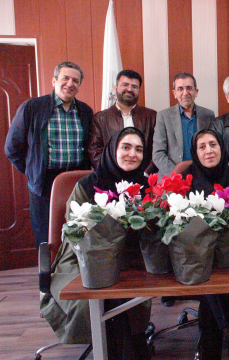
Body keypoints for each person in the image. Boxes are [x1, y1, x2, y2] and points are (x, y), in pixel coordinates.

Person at [40, 127, 151, 359]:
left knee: (125, 292)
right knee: (101, 294)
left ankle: (124, 348)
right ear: (112, 150)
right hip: (82, 258)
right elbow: (75, 230)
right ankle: (120, 349)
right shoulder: (87, 185)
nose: (132, 154)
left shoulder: (146, 187)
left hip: (131, 260)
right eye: (126, 147)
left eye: (139, 149)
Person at [5, 61, 94, 247]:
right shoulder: (32, 107)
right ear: (54, 81)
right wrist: (32, 171)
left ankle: (74, 267)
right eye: (65, 78)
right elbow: (12, 148)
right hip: (44, 183)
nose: (70, 83)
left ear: (79, 85)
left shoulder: (85, 111)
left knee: (79, 234)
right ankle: (48, 268)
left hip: (76, 181)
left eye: (75, 80)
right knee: (47, 237)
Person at [181, 129, 229, 360]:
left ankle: (210, 347)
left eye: (213, 144)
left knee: (217, 282)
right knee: (211, 280)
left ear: (222, 147)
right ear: (195, 152)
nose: (208, 151)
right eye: (202, 147)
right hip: (196, 256)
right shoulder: (184, 182)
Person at [88, 69, 157, 173]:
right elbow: (94, 151)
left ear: (139, 91)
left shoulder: (152, 116)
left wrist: (146, 174)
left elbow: (158, 149)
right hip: (110, 177)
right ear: (116, 88)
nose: (129, 89)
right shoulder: (100, 118)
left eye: (134, 87)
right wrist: (112, 173)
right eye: (125, 85)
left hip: (144, 176)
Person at [153, 72, 215, 176]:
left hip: (203, 176)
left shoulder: (208, 115)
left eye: (189, 88)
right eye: (180, 89)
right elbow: (158, 154)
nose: (185, 93)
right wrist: (176, 175)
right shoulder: (163, 116)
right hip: (172, 177)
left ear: (196, 92)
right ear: (174, 93)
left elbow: (214, 148)